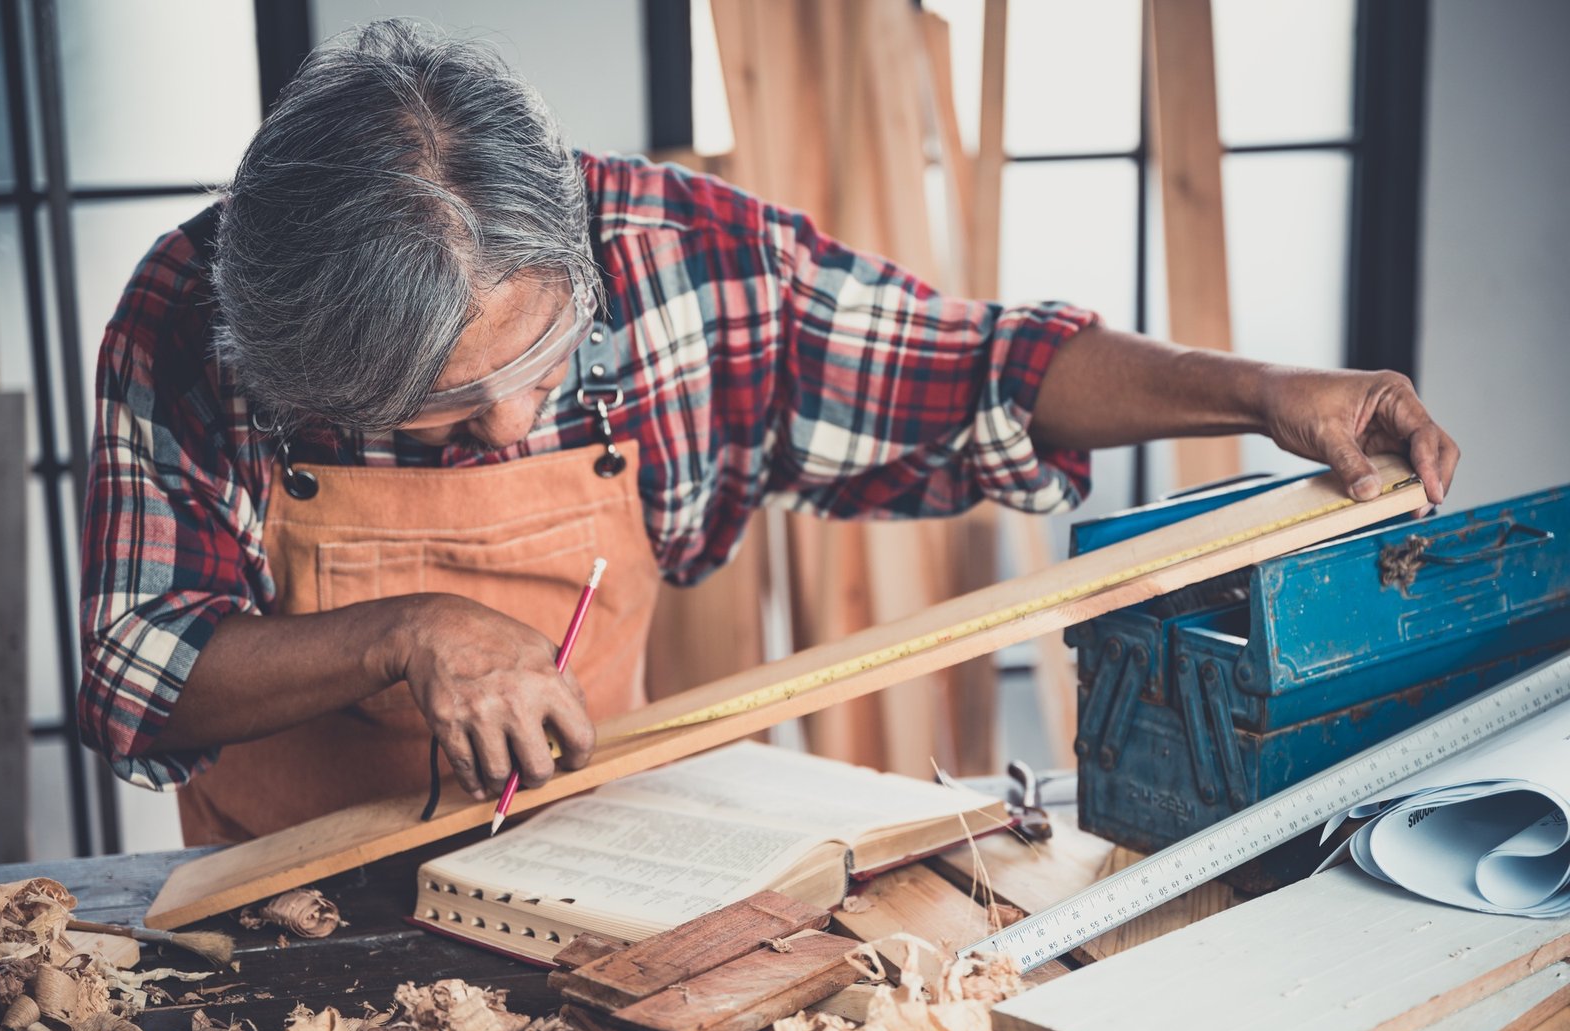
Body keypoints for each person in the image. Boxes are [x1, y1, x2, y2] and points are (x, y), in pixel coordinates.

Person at [78, 20, 1458, 845]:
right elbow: (139, 669)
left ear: (575, 249)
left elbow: (980, 363)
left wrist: (1260, 389)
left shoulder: (681, 255)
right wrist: (406, 629)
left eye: (544, 358)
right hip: (279, 892)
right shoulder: (191, 314)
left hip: (563, 842)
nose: (510, 420)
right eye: (440, 409)